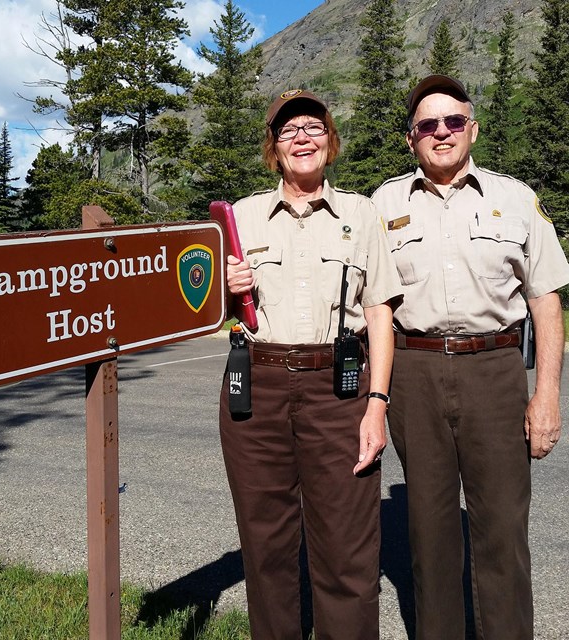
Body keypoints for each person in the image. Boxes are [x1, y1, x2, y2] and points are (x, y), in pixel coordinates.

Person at [371, 74, 569, 640]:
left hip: (495, 370)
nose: (441, 132)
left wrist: (547, 395)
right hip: (416, 372)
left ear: (472, 128)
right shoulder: (383, 204)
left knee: (502, 532)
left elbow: (545, 301)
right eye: (426, 125)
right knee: (430, 539)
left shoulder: (515, 199)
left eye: (453, 121)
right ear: (411, 139)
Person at [219, 89, 402, 640]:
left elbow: (379, 314)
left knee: (347, 548)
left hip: (339, 388)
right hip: (257, 386)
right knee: (267, 548)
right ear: (274, 147)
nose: (302, 136)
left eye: (313, 126)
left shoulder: (363, 214)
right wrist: (224, 295)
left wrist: (377, 406)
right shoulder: (238, 218)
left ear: (330, 139)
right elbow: (200, 309)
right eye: (288, 129)